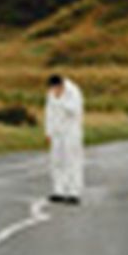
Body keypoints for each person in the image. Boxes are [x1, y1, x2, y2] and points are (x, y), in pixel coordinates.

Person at [45, 74, 85, 205]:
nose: (54, 91)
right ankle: (59, 191)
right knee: (56, 161)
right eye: (52, 89)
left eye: (56, 88)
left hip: (71, 132)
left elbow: (75, 111)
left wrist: (60, 101)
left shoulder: (74, 91)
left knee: (72, 161)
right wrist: (48, 132)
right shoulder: (51, 93)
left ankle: (74, 192)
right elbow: (49, 112)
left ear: (61, 85)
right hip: (57, 132)